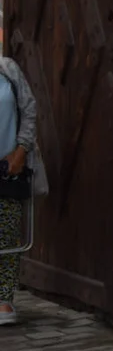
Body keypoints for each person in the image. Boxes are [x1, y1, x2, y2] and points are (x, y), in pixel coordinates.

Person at [0, 59, 44, 326]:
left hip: (7, 166)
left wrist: (21, 150)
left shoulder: (7, 69)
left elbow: (29, 109)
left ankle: (3, 298)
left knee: (6, 234)